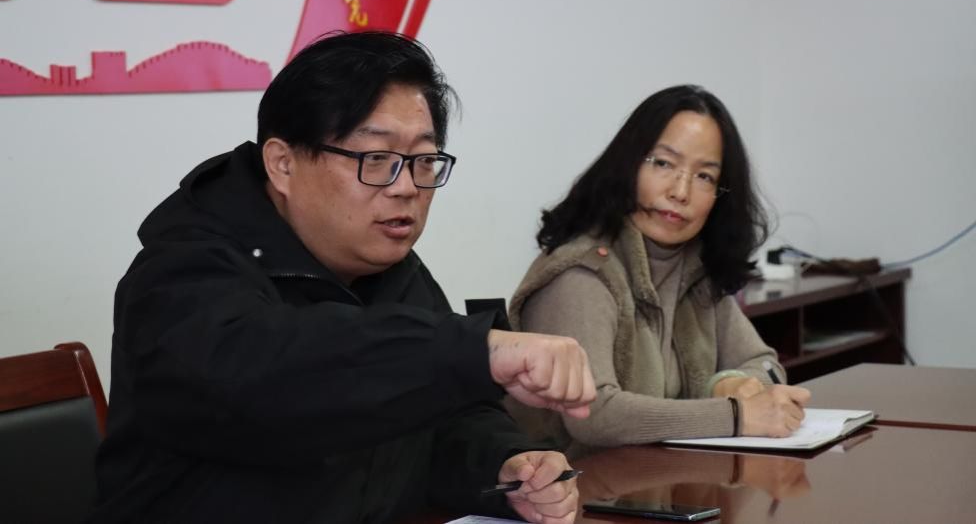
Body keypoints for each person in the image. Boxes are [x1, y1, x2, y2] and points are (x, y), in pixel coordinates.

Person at [91, 31, 595, 524]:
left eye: (423, 161)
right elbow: (271, 379)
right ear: (283, 164)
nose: (406, 187)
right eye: (376, 159)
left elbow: (441, 422)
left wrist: (507, 466)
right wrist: (472, 349)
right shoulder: (181, 271)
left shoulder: (390, 267)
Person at [507, 85, 810, 451]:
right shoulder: (580, 273)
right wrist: (735, 415)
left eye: (704, 177)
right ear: (627, 164)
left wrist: (731, 381)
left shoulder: (696, 270)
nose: (680, 192)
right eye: (663, 164)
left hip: (665, 477)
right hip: (575, 482)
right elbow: (595, 414)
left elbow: (763, 362)